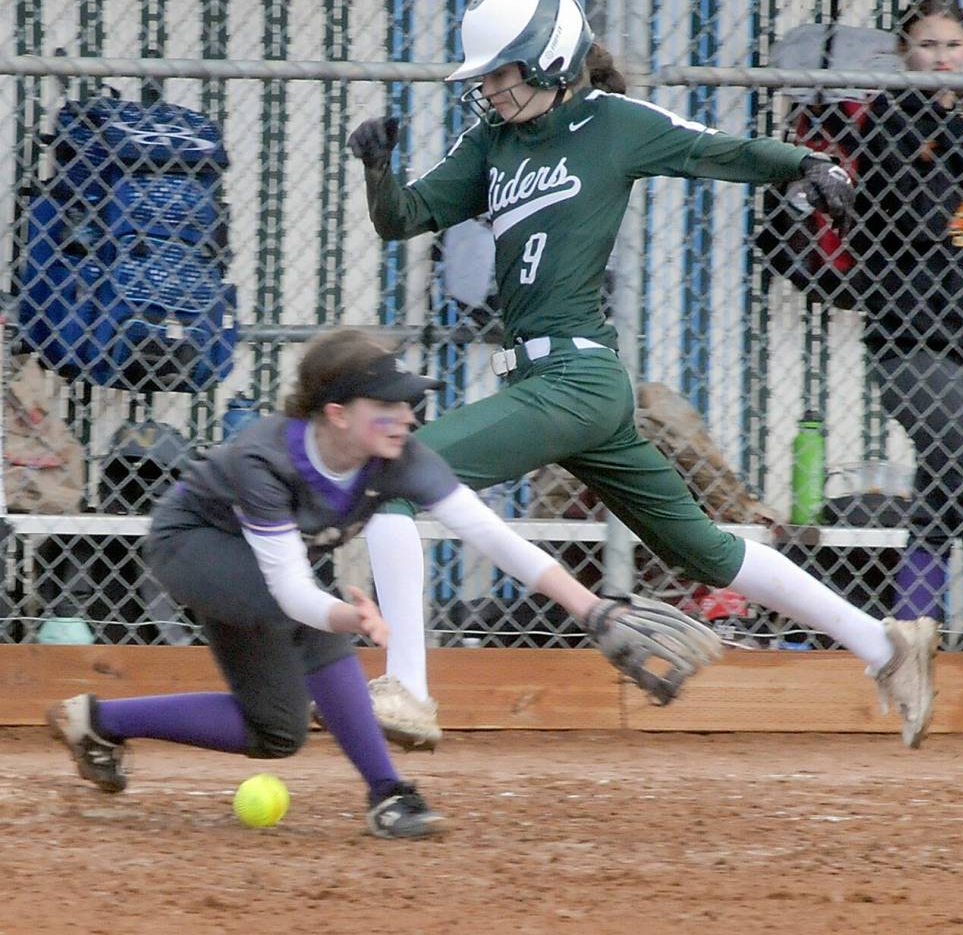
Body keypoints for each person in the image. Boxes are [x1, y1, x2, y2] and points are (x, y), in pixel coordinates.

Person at [349, 0, 938, 751]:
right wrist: (377, 169)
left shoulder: (612, 123)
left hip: (578, 378)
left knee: (394, 479)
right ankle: (886, 645)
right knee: (703, 549)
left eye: (500, 71)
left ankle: (411, 692)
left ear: (552, 60)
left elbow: (713, 150)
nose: (486, 88)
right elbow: (405, 219)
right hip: (549, 386)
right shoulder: (489, 142)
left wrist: (805, 163)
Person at [46, 326, 718, 838]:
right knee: (308, 629)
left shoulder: (394, 457)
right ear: (336, 412)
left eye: (407, 404)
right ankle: (389, 795)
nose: (404, 416)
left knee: (275, 731)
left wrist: (590, 607)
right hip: (192, 546)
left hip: (263, 571)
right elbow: (290, 593)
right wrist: (347, 619)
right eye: (386, 405)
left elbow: (487, 532)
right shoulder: (267, 459)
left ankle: (98, 721)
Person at [849, 0, 963, 624]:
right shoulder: (892, 119)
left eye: (954, 45)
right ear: (904, 54)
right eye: (928, 44)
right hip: (913, 343)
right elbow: (922, 216)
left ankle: (910, 636)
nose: (943, 58)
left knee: (944, 497)